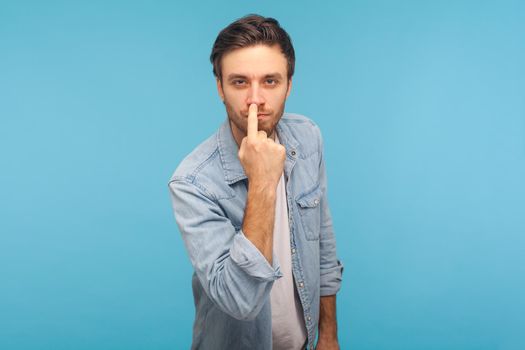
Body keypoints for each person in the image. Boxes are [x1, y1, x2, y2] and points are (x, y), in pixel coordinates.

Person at [168, 14, 343, 350]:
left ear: (289, 85)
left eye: (270, 81)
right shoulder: (192, 182)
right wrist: (262, 181)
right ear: (219, 87)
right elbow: (240, 300)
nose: (255, 100)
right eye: (239, 82)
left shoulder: (308, 139)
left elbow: (323, 243)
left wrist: (329, 336)